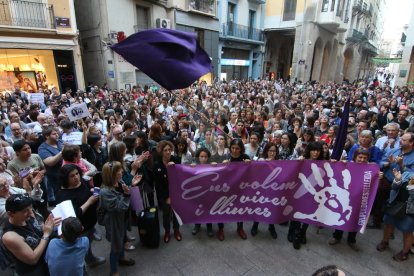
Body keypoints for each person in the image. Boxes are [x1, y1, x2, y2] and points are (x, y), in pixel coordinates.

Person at [56, 164, 105, 268]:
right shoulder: (63, 194)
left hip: (90, 222)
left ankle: (90, 259)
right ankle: (84, 266)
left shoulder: (81, 182)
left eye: (77, 173)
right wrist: (89, 202)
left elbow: (87, 189)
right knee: (82, 248)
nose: (76, 177)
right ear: (65, 179)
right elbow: (74, 215)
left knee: (89, 242)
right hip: (81, 227)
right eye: (72, 176)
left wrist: (91, 191)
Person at [2, 194, 61, 275]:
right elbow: (33, 259)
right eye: (25, 211)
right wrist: (46, 234)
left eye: (30, 207)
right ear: (11, 214)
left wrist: (47, 226)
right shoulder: (10, 236)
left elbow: (40, 227)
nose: (30, 212)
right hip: (34, 269)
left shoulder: (29, 213)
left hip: (47, 257)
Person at [100, 161, 141, 276]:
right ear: (111, 174)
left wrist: (132, 184)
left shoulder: (119, 181)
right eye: (118, 170)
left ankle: (122, 257)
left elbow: (125, 191)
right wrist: (127, 194)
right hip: (113, 222)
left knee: (122, 238)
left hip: (121, 219)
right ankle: (113, 271)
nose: (121, 171)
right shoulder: (105, 192)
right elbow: (120, 207)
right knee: (115, 246)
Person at [328, 148, 371, 252]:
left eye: (365, 158)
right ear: (355, 157)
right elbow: (337, 173)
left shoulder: (371, 168)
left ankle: (352, 240)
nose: (362, 160)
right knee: (342, 216)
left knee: (355, 218)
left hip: (360, 199)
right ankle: (337, 236)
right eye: (360, 157)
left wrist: (378, 176)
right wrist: (337, 164)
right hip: (346, 197)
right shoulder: (347, 164)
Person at [289, 141, 326, 250]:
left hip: (314, 192)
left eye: (318, 151)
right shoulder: (302, 159)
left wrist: (334, 162)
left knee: (310, 210)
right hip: (300, 190)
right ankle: (294, 231)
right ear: (309, 151)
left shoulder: (323, 163)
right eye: (313, 150)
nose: (315, 153)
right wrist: (298, 162)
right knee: (297, 210)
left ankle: (303, 232)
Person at [376, 168, 414, 261]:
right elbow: (394, 187)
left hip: (410, 211)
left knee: (407, 232)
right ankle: (385, 242)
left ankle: (404, 253)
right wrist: (397, 180)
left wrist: (411, 187)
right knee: (388, 224)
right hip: (395, 205)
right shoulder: (407, 173)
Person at [219, 138, 250, 241]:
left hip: (241, 188)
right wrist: (222, 165)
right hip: (226, 188)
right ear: (230, 148)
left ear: (241, 149)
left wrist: (250, 164)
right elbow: (218, 174)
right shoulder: (225, 157)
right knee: (222, 208)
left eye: (237, 148)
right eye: (233, 148)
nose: (235, 150)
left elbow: (251, 173)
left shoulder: (245, 157)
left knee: (240, 208)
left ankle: (240, 228)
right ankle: (220, 229)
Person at [153, 140, 182, 243]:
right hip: (164, 195)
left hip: (176, 193)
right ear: (161, 152)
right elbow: (158, 185)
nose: (168, 152)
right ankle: (167, 231)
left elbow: (181, 178)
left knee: (176, 213)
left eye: (169, 149)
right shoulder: (157, 165)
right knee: (166, 214)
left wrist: (175, 168)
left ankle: (177, 230)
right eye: (165, 150)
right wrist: (167, 197)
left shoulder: (177, 160)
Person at [250, 142, 279, 239]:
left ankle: (271, 226)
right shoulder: (261, 160)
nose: (272, 153)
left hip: (274, 189)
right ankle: (255, 225)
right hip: (261, 188)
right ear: (266, 151)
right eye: (270, 151)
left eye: (274, 151)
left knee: (271, 207)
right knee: (259, 206)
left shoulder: (280, 162)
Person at [38, 127, 64, 205]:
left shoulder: (60, 142)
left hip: (67, 173)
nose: (57, 135)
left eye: (57, 133)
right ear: (47, 136)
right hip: (56, 178)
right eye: (54, 134)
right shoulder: (42, 148)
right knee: (61, 198)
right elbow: (50, 162)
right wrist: (62, 152)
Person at [191, 148, 214, 237]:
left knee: (208, 209)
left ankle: (209, 226)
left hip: (209, 193)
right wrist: (190, 168)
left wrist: (216, 165)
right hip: (198, 193)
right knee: (198, 209)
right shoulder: (194, 166)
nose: (203, 158)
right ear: (198, 157)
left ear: (208, 157)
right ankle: (197, 225)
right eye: (201, 156)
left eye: (205, 156)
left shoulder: (212, 166)